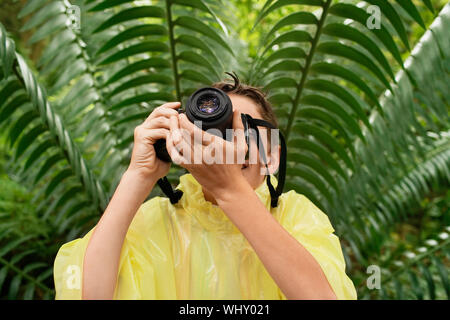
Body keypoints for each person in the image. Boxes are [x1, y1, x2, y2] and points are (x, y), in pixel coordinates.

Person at [53, 74, 357, 300]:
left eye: (245, 128)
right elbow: (88, 295)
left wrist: (231, 191)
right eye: (216, 131)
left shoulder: (297, 216)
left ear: (273, 155)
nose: (226, 143)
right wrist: (139, 174)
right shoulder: (159, 219)